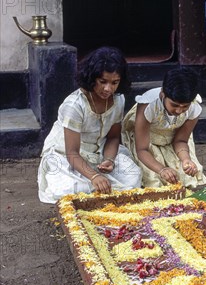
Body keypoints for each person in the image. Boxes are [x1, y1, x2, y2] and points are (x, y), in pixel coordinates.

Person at [38, 47, 142, 204]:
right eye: (103, 82)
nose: (108, 89)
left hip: (100, 153)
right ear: (92, 78)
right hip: (68, 156)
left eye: (114, 83)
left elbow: (113, 137)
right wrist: (94, 176)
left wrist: (109, 160)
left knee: (133, 176)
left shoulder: (118, 100)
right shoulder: (75, 105)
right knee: (68, 190)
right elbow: (71, 152)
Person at [122, 68, 206, 188]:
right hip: (146, 143)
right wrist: (162, 169)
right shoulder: (148, 105)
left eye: (185, 106)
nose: (179, 111)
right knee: (153, 181)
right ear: (163, 94)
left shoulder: (194, 108)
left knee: (184, 177)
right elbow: (142, 149)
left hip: (172, 141)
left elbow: (181, 141)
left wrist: (186, 159)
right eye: (174, 105)